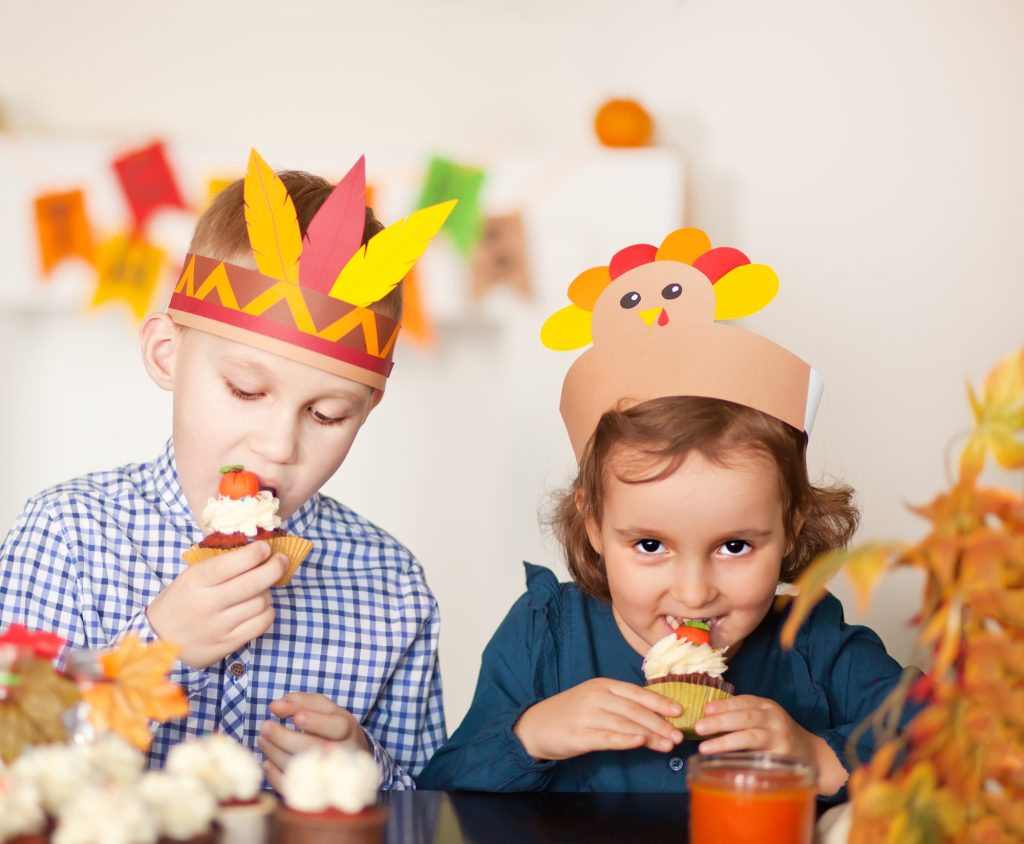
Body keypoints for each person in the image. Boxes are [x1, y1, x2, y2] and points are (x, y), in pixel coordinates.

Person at [0, 151, 455, 789]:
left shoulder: (392, 586)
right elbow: (12, 771)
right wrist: (157, 652)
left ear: (367, 409)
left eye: (326, 415)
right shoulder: (68, 535)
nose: (276, 446)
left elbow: (430, 814)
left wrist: (368, 773)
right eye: (245, 390)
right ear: (166, 354)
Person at [418, 228, 919, 798]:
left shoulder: (814, 643)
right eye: (650, 546)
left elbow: (949, 744)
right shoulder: (545, 636)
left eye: (735, 546)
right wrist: (532, 735)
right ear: (593, 526)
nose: (694, 591)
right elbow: (440, 788)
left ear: (792, 528)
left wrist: (816, 756)